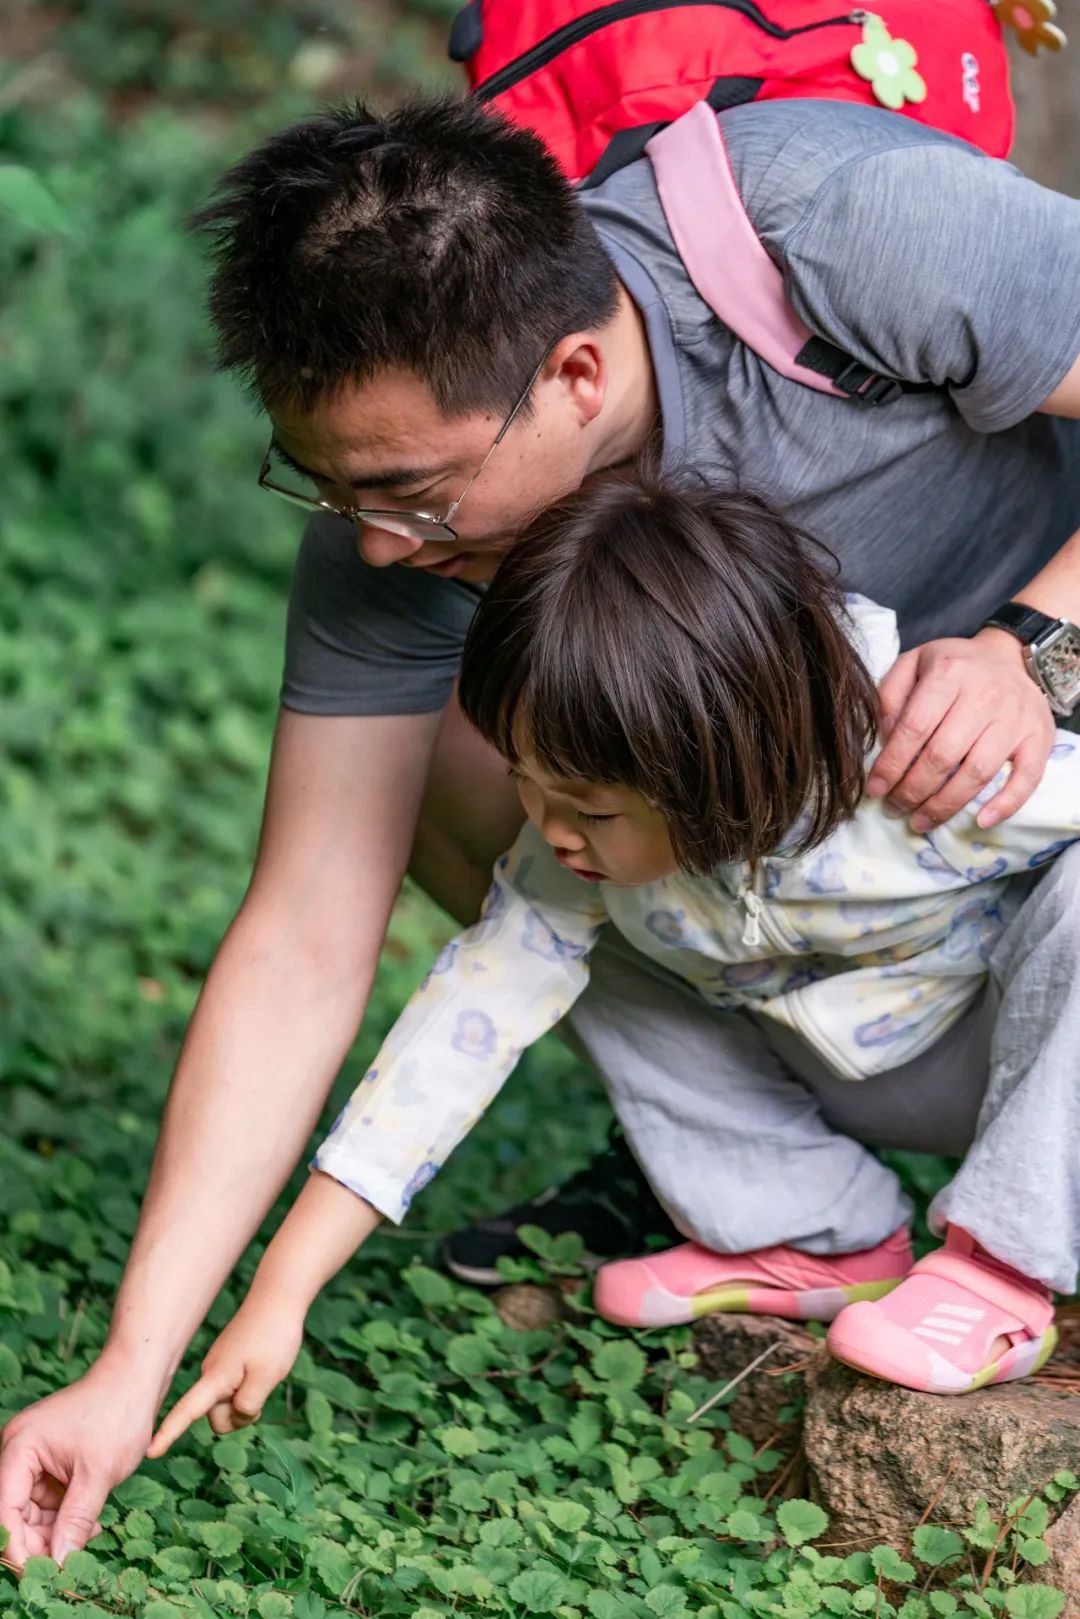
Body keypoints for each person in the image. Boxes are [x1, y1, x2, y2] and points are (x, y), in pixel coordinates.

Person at [4, 88, 1080, 1567]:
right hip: (821, 927)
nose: (379, 541)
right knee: (508, 800)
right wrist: (131, 1363)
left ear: (577, 369)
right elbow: (309, 930)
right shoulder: (384, 547)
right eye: (324, 486)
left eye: (413, 492)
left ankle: (1014, 1240)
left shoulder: (830, 227)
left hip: (1024, 833)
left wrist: (1039, 646)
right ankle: (803, 1216)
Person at [141, 470, 1076, 1456]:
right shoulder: (577, 852)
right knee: (547, 936)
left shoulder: (928, 773)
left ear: (721, 760)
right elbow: (453, 1040)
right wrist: (282, 1291)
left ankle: (1002, 1267)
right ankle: (814, 1228)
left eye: (587, 806)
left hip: (1010, 1070)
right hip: (827, 1063)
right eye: (527, 781)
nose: (548, 826)